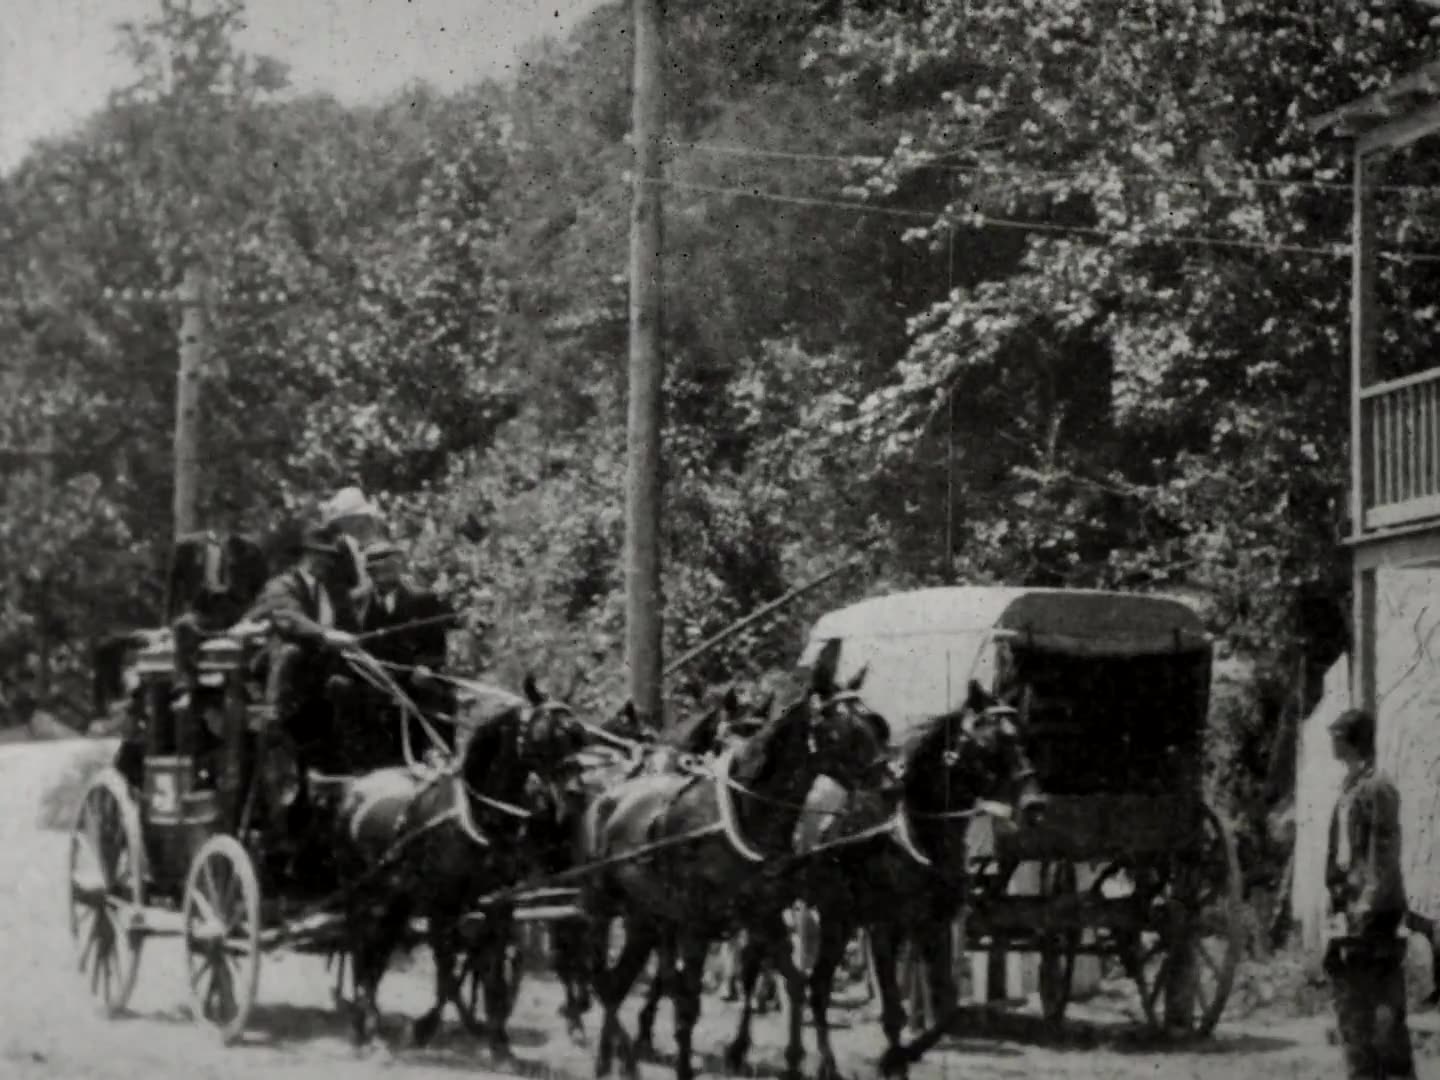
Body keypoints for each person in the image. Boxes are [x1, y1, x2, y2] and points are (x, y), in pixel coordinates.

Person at [244, 524, 362, 835]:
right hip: (283, 690)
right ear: (306, 556)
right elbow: (289, 619)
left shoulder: (332, 593)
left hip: (320, 692)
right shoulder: (281, 587)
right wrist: (326, 634)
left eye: (330, 558)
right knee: (292, 653)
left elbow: (350, 626)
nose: (325, 563)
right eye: (320, 557)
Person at [1323, 706, 1416, 1079]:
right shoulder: (1349, 787)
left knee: (1382, 1015)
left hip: (1374, 915)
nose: (1332, 742)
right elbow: (1343, 852)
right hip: (1351, 911)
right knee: (1352, 1011)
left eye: (1337, 736)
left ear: (1350, 740)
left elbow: (1383, 853)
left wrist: (1369, 905)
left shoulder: (1378, 788)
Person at [320, 486, 383, 600]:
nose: (364, 522)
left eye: (366, 517)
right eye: (357, 517)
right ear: (343, 521)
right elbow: (336, 599)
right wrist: (368, 587)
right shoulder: (338, 552)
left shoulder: (373, 541)